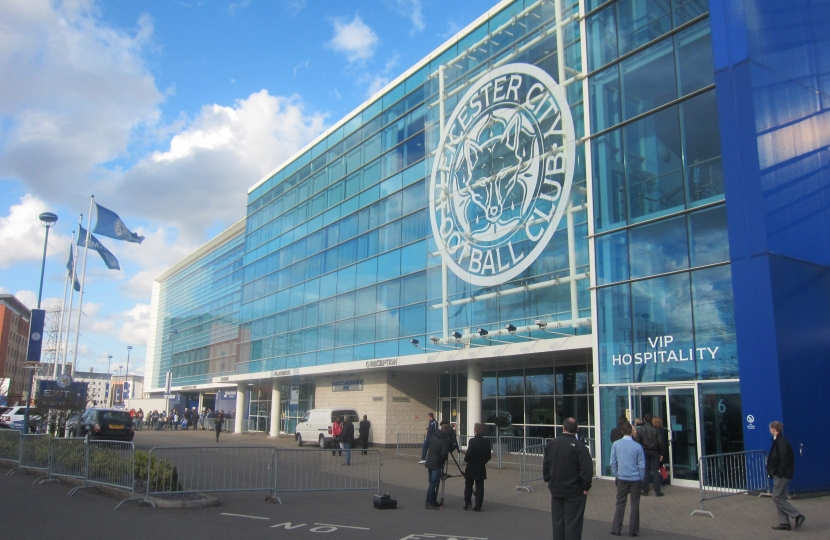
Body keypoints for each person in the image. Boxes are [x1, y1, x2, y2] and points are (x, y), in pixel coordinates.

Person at [543, 417, 592, 540]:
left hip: (557, 489)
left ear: (563, 428)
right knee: (573, 524)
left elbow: (546, 465)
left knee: (558, 523)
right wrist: (586, 487)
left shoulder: (552, 444)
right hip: (575, 491)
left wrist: (549, 480)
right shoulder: (580, 447)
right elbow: (586, 469)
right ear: (577, 430)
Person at [767, 421, 805, 530]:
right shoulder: (779, 441)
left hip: (782, 475)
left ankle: (797, 515)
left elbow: (784, 459)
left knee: (776, 497)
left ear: (774, 429)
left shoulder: (781, 442)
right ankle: (784, 523)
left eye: (770, 428)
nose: (769, 430)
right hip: (781, 474)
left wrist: (778, 473)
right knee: (781, 497)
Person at [610, 422, 645, 537]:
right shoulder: (637, 446)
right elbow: (642, 465)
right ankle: (633, 530)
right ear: (631, 432)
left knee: (620, 503)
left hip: (622, 478)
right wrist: (641, 477)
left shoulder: (616, 444)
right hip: (635, 478)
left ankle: (616, 528)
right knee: (635, 504)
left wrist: (617, 474)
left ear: (622, 432)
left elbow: (613, 462)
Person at [463, 423, 491, 512]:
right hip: (480, 467)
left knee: (468, 485)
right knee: (479, 486)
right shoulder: (486, 442)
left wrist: (466, 460)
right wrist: (483, 462)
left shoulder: (472, 441)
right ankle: (478, 505)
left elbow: (469, 454)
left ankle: (467, 503)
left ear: (475, 431)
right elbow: (488, 456)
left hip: (471, 466)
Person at [424, 423, 451, 510]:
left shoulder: (433, 436)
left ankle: (432, 500)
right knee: (433, 483)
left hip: (430, 461)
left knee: (432, 481)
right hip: (437, 463)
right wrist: (444, 458)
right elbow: (443, 454)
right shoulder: (444, 440)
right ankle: (428, 501)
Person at [637, 414, 663, 497]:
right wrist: (661, 453)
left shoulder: (640, 430)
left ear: (644, 420)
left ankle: (645, 490)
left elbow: (638, 442)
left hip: (644, 451)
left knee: (646, 471)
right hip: (654, 451)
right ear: (651, 420)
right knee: (655, 471)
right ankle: (657, 491)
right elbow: (660, 442)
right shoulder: (656, 429)